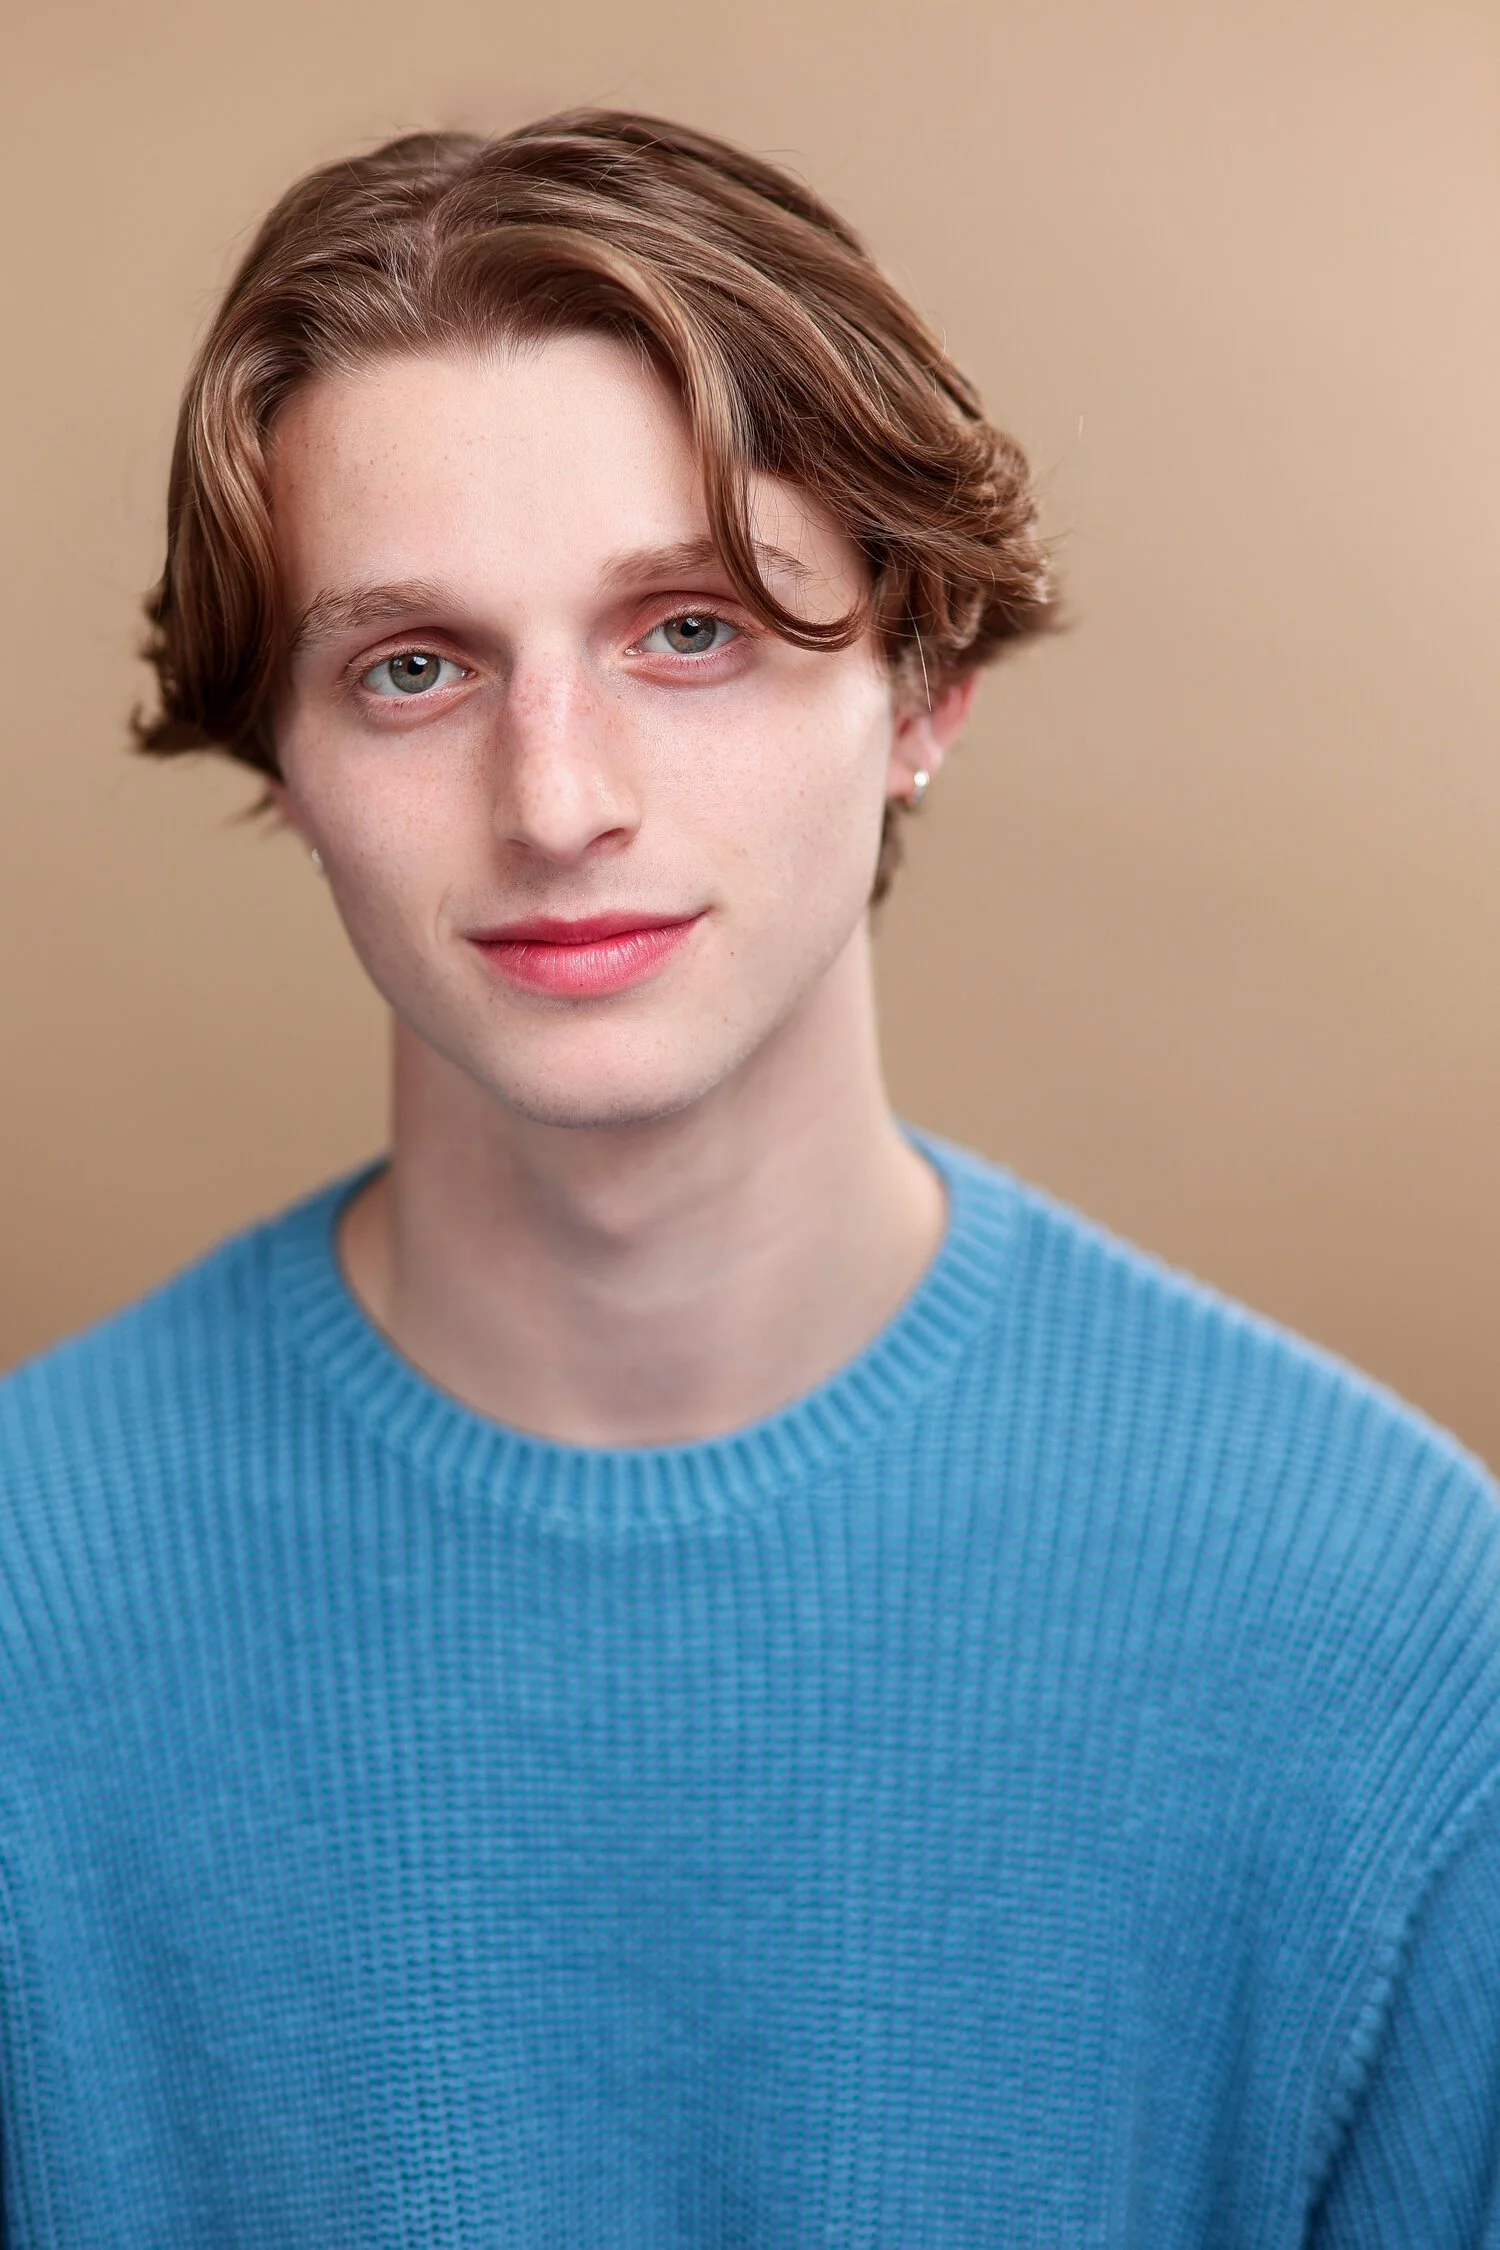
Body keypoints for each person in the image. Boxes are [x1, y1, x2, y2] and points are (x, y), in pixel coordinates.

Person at [1, 109, 1497, 2247]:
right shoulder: (27, 1615)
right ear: (286, 763)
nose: (557, 797)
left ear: (925, 680)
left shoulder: (1390, 1624)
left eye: (688, 630)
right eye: (412, 668)